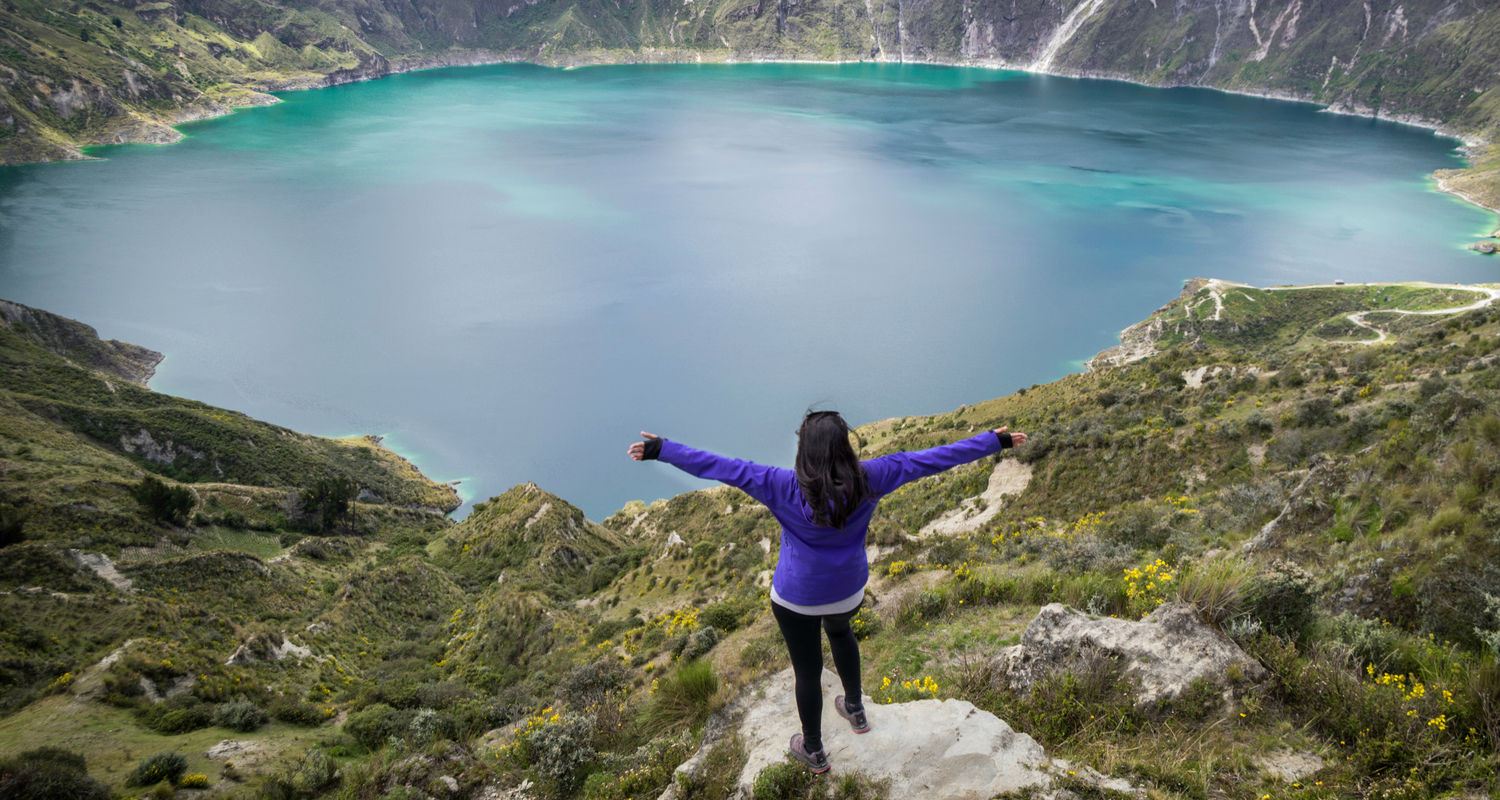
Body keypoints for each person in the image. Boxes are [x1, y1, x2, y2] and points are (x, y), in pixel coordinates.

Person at [627, 410, 1028, 773]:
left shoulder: (780, 485)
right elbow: (932, 459)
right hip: (848, 590)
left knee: (807, 671)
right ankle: (855, 709)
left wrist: (662, 449)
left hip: (796, 597)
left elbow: (721, 468)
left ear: (805, 452)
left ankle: (814, 749)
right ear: (844, 448)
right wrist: (994, 442)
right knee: (841, 633)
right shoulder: (873, 476)